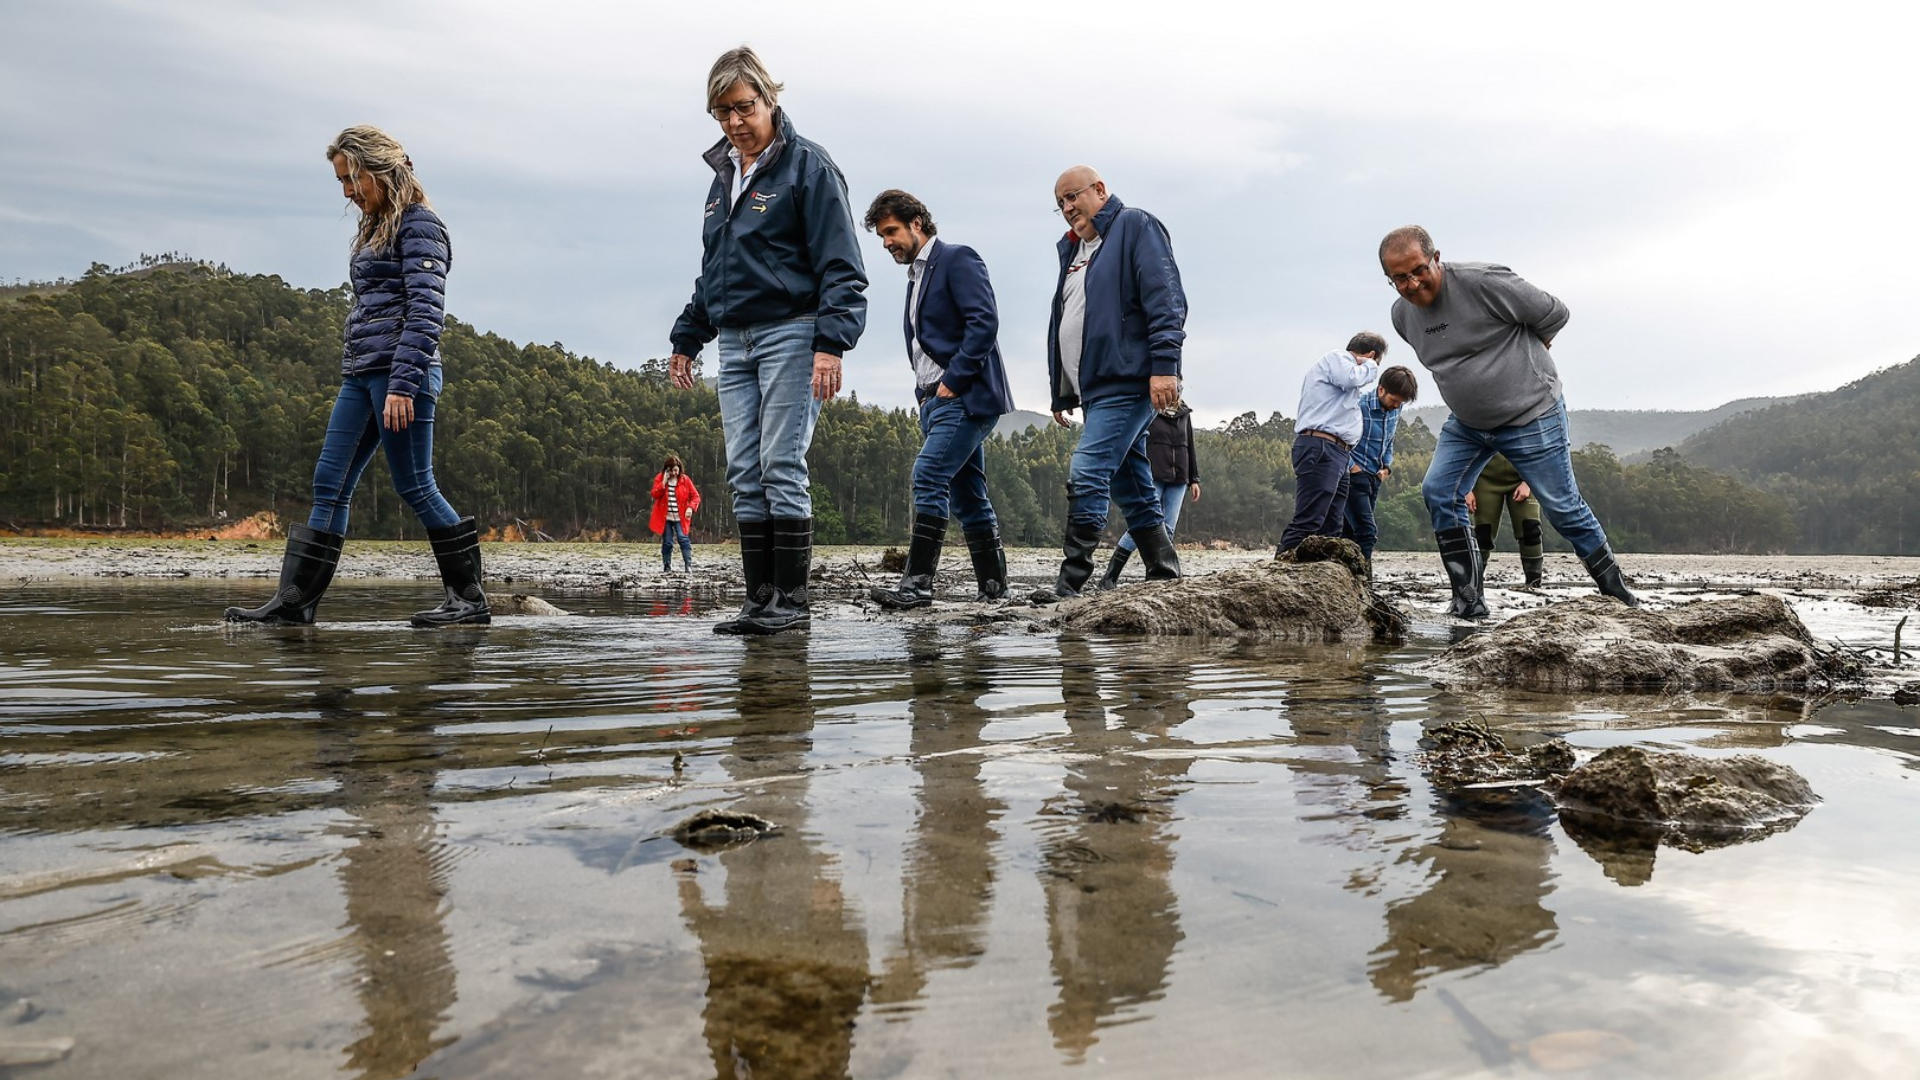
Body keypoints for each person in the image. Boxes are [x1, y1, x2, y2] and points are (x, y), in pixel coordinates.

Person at [225, 125, 488, 628]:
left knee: (415, 485)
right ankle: (294, 604)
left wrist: (403, 383)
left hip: (400, 374)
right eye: (341, 181)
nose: (347, 191)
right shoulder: (374, 227)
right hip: (361, 372)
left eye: (352, 179)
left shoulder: (420, 224)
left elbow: (427, 310)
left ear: (379, 171)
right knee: (329, 482)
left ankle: (470, 600)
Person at [667, 46, 868, 635]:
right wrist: (687, 336)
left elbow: (843, 267)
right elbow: (717, 270)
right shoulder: (722, 180)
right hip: (734, 341)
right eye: (721, 113)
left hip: (794, 332)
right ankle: (759, 600)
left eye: (742, 108)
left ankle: (792, 603)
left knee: (781, 463)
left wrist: (831, 343)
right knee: (742, 471)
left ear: (769, 98)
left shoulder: (810, 167)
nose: (734, 123)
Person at [1380, 224, 1636, 617]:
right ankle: (1468, 602)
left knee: (1563, 507)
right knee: (1438, 491)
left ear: (1436, 258)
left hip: (1530, 415)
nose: (1412, 283)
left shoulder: (1484, 283)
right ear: (1390, 279)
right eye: (1400, 278)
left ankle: (1620, 598)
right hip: (1467, 424)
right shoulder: (1402, 316)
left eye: (1418, 270)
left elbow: (1554, 313)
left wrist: (1535, 348)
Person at [1031, 166, 1187, 603]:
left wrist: (1165, 365)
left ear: (1099, 190)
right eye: (1059, 203)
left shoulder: (1135, 226)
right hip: (1093, 389)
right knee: (1130, 484)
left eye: (1072, 197)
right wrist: (1063, 390)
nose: (1066, 208)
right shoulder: (1076, 250)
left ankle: (1071, 584)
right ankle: (1164, 571)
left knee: (1088, 470)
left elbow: (1166, 298)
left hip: (1129, 379)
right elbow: (1070, 318)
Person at [861, 189, 1017, 609]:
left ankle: (916, 587)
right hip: (935, 402)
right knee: (969, 496)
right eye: (880, 236)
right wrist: (925, 395)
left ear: (917, 223)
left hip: (964, 397)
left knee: (928, 475)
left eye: (891, 231)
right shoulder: (915, 278)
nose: (887, 242)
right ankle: (995, 589)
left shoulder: (957, 258)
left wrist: (955, 379)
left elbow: (984, 321)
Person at [1275, 334, 1385, 556]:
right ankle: (1278, 572)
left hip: (1338, 452)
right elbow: (1351, 378)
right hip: (1322, 446)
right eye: (1376, 361)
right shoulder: (1337, 359)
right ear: (1371, 354)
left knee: (1332, 525)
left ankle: (1320, 577)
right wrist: (1372, 365)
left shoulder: (1339, 371)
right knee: (1310, 519)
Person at [1098, 402, 1200, 589]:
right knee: (1144, 525)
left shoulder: (1185, 414)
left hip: (1179, 477)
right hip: (1152, 474)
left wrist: (1194, 479)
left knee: (1168, 528)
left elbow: (1190, 445)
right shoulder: (1148, 409)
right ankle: (1109, 577)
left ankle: (1158, 576)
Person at [1342, 365, 1419, 562]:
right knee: (1367, 532)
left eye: (1400, 402)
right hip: (1353, 475)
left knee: (1348, 532)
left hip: (1375, 477)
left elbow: (1389, 438)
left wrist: (1386, 467)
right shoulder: (1358, 405)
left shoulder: (1396, 407)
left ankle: (1348, 582)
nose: (1396, 405)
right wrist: (1352, 467)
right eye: (1394, 400)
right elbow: (1338, 438)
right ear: (1381, 389)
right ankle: (1365, 584)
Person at [1467, 453, 1545, 587]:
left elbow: (1541, 444)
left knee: (1530, 530)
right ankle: (1473, 587)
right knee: (1483, 533)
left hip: (1524, 476)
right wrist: (1466, 487)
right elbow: (1463, 446)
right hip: (1484, 478)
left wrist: (1529, 482)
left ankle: (1534, 585)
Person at [650, 455, 702, 572]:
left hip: (681, 516)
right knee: (667, 542)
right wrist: (663, 482)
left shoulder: (685, 480)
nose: (673, 473)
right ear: (666, 469)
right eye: (671, 470)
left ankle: (688, 566)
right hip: (665, 517)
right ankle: (667, 566)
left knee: (683, 538)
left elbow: (695, 496)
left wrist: (690, 508)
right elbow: (655, 494)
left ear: (679, 469)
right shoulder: (660, 478)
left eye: (675, 470)